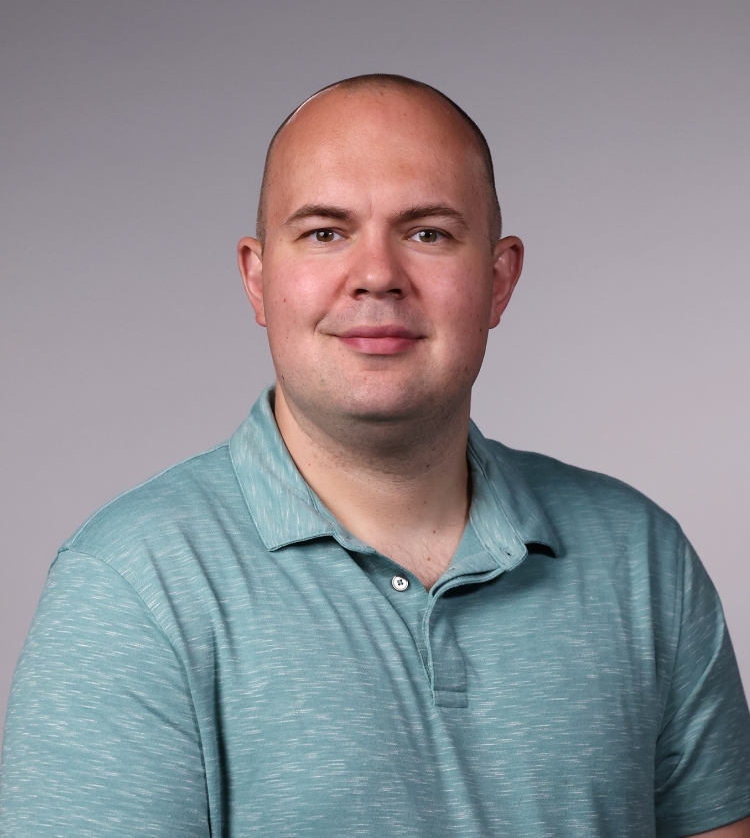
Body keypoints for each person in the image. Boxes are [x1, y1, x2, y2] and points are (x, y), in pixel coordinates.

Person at [1, 74, 749, 837]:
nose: (377, 275)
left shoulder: (641, 557)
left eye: (428, 232)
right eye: (325, 232)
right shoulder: (131, 588)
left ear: (498, 280)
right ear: (258, 280)